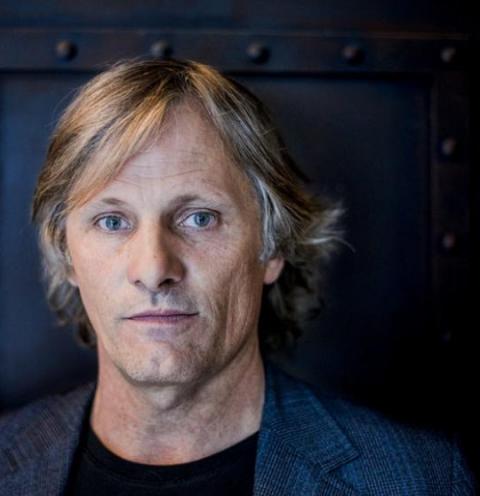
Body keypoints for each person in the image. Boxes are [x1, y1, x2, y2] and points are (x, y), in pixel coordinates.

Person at [0, 58, 475, 495]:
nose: (154, 270)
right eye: (112, 221)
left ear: (272, 246)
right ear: (66, 254)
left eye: (199, 218)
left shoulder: (424, 482)